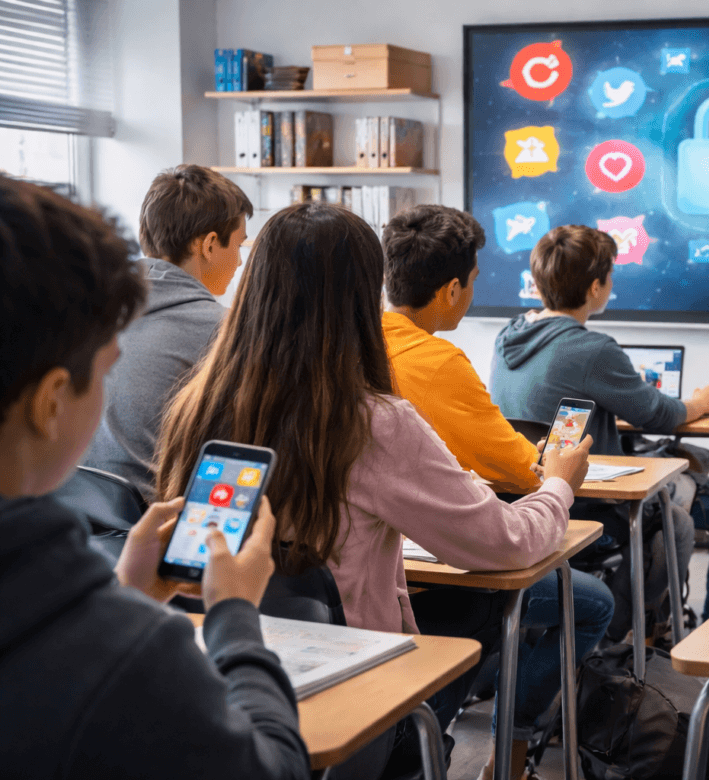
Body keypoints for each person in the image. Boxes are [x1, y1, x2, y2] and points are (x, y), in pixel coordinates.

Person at [154, 201, 591, 776]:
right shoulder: (372, 421)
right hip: (357, 687)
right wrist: (558, 485)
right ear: (362, 297)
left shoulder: (193, 405)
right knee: (492, 608)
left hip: (222, 682)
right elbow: (505, 541)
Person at [0, 176, 308, 779]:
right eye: (106, 370)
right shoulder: (130, 656)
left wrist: (126, 593)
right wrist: (235, 615)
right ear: (51, 401)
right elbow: (272, 770)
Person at [381, 204, 614, 780]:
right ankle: (506, 749)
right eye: (476, 279)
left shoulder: (360, 343)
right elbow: (517, 470)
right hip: (430, 563)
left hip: (375, 568)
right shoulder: (436, 361)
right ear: (453, 288)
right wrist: (558, 472)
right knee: (590, 603)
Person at [490, 224, 709, 629]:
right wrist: (701, 403)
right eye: (611, 275)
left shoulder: (507, 336)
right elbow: (658, 415)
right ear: (596, 287)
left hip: (522, 496)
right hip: (588, 500)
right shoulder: (592, 349)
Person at [85, 164, 251, 500]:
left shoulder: (95, 310)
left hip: (86, 516)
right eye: (239, 246)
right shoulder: (226, 330)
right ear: (209, 245)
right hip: (162, 529)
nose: (239, 263)